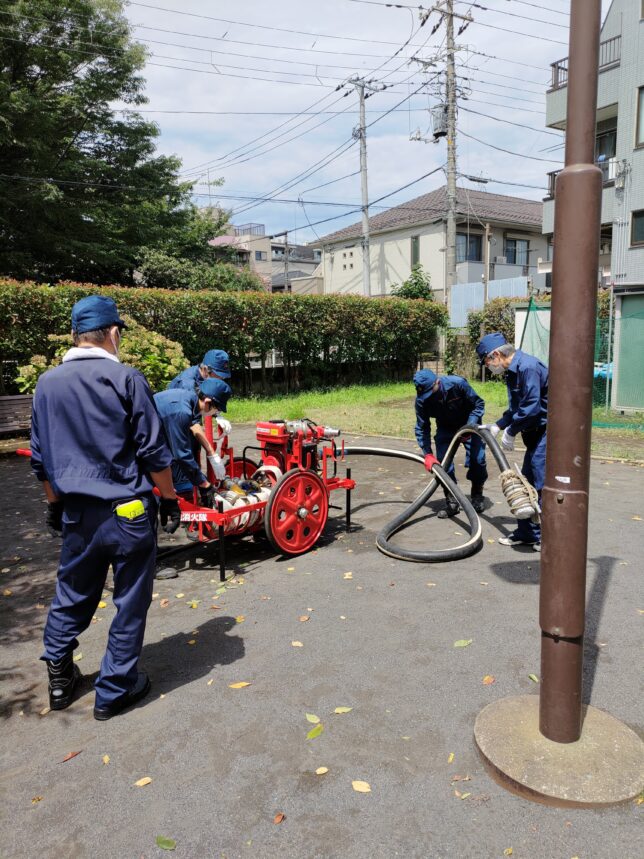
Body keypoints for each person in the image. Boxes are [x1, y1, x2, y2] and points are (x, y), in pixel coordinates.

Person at [30, 295, 181, 720]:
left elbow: (41, 458)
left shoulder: (47, 383)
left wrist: (54, 506)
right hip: (128, 510)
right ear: (113, 334)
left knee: (72, 592)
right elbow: (154, 453)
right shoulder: (127, 379)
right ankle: (114, 690)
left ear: (76, 335)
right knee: (130, 599)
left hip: (77, 512)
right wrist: (169, 500)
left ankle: (60, 678)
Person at [476, 332, 548, 551]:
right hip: (533, 431)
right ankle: (527, 534)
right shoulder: (513, 372)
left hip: (546, 430)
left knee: (538, 479)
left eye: (487, 362)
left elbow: (532, 406)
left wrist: (511, 430)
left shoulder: (528, 367)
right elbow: (518, 407)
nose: (488, 367)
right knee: (525, 481)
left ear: (496, 354)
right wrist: (499, 424)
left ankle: (546, 536)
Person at [413, 369, 488, 517]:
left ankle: (477, 495)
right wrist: (427, 453)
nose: (429, 397)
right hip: (445, 427)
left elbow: (478, 404)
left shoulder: (458, 384)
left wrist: (469, 426)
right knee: (442, 464)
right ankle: (452, 500)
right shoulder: (422, 400)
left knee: (478, 460)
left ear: (437, 382)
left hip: (469, 424)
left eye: (431, 392)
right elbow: (422, 427)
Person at [153, 377, 233, 500]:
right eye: (216, 409)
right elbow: (181, 454)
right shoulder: (181, 411)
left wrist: (211, 455)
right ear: (207, 402)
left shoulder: (188, 398)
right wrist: (204, 485)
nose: (214, 413)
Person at [168, 349, 232, 459]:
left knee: (195, 452)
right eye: (219, 375)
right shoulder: (187, 385)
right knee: (184, 460)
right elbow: (193, 424)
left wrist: (217, 414)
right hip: (176, 429)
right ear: (206, 369)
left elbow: (208, 399)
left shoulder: (204, 378)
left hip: (188, 424)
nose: (221, 379)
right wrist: (211, 453)